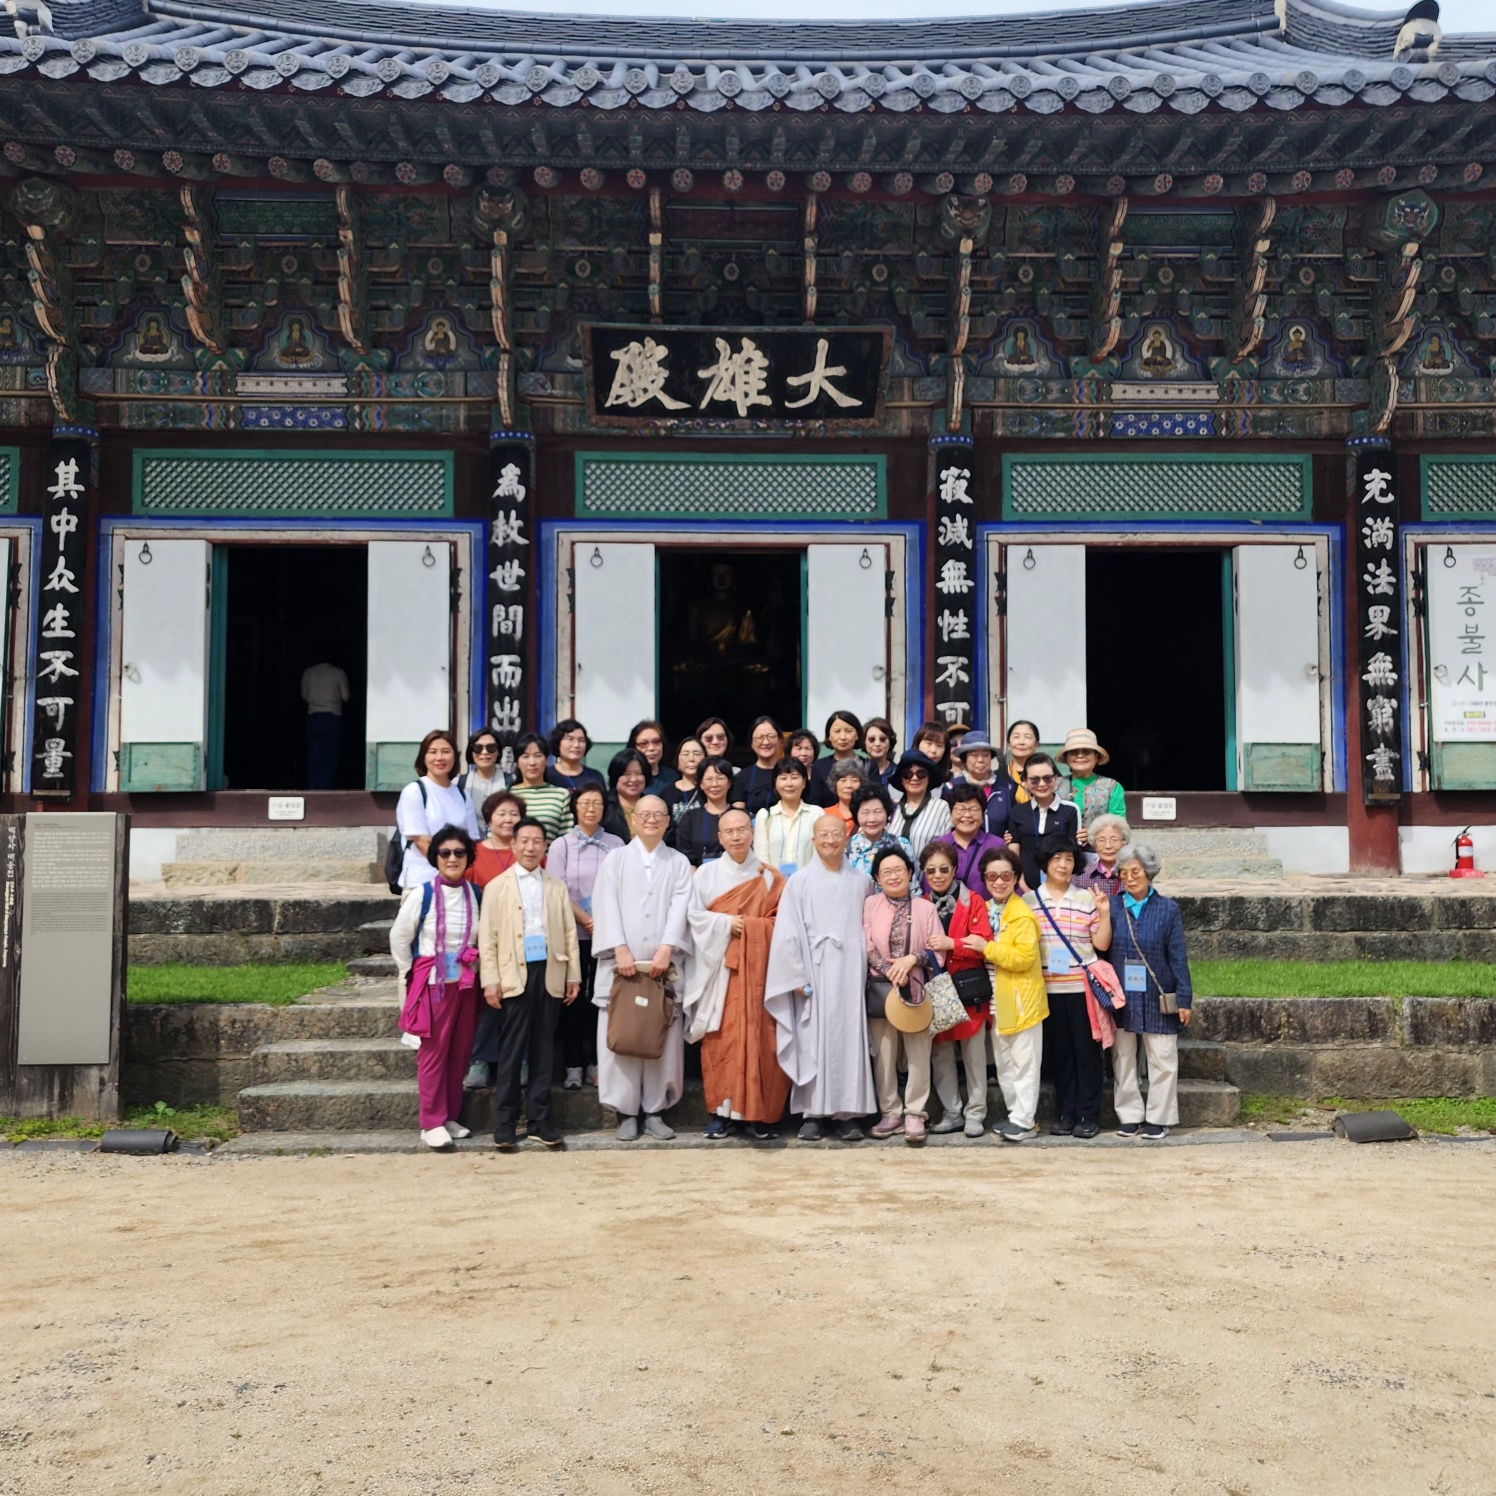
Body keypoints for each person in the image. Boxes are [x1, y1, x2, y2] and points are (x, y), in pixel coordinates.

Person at [764, 815, 877, 1141]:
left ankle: (848, 1113)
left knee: (849, 1037)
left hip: (851, 971)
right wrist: (795, 974)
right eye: (823, 834)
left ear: (846, 838)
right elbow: (787, 931)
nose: (830, 840)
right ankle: (813, 1113)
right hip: (814, 970)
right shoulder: (799, 881)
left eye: (836, 834)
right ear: (813, 840)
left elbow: (870, 928)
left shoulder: (861, 881)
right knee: (811, 1037)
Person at [590, 794, 694, 1141]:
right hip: (622, 967)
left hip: (663, 966)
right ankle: (626, 1111)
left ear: (667, 821)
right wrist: (618, 947)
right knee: (623, 1034)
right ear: (634, 819)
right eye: (644, 814)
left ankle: (655, 1109)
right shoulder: (616, 859)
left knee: (661, 1035)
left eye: (658, 815)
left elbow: (681, 907)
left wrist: (667, 947)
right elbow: (605, 904)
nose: (651, 820)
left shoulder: (678, 862)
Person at [682, 808, 789, 1139]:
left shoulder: (770, 877)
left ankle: (760, 1114)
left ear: (752, 832)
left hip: (759, 974)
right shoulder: (706, 875)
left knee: (761, 1038)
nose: (736, 836)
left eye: (742, 829)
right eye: (729, 831)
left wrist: (753, 927)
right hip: (719, 972)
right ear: (720, 837)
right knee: (721, 1039)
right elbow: (692, 917)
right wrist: (728, 923)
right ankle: (721, 1112)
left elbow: (783, 924)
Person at [478, 819, 582, 1151]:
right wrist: (490, 980)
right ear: (513, 845)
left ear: (545, 846)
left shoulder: (555, 886)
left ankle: (540, 1120)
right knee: (511, 1050)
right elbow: (487, 938)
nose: (530, 847)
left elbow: (569, 933)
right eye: (524, 841)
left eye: (537, 841)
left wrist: (573, 975)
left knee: (543, 1049)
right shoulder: (497, 887)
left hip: (550, 971)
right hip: (513, 973)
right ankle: (506, 1122)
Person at [390, 825, 482, 1150]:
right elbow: (399, 937)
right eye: (445, 853)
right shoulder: (423, 894)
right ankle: (430, 1122)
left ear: (468, 857)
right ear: (435, 857)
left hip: (465, 984)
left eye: (459, 852)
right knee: (432, 1054)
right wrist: (410, 971)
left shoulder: (475, 894)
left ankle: (449, 1116)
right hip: (433, 984)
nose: (452, 858)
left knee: (459, 1053)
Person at [1102, 841, 1193, 1140]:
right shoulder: (1112, 907)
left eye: (1136, 872)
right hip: (1121, 994)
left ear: (1149, 873)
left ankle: (1158, 1117)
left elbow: (1177, 956)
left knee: (1163, 1057)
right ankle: (1129, 1115)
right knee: (1123, 1057)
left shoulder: (1168, 909)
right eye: (1124, 872)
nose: (1129, 878)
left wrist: (1184, 998)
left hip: (1158, 992)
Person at [1027, 834, 1112, 1140]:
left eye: (1069, 859)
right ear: (1045, 862)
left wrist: (1104, 913)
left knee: (1086, 1054)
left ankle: (1088, 1115)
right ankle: (1066, 1113)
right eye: (1056, 858)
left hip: (1081, 989)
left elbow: (1101, 943)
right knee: (1060, 1054)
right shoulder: (1029, 901)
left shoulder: (1086, 898)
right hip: (1047, 990)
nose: (1063, 865)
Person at [863, 846, 944, 1145]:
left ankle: (915, 1112)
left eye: (899, 870)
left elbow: (938, 950)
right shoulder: (870, 904)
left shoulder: (925, 908)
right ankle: (890, 1112)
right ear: (877, 878)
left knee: (918, 1053)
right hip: (881, 988)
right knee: (884, 1055)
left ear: (910, 873)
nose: (893, 876)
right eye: (886, 872)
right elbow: (866, 943)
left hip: (916, 989)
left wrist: (911, 960)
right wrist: (890, 971)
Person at [546, 784, 623, 1089]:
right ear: (575, 807)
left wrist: (603, 922)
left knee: (602, 999)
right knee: (574, 1000)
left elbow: (622, 886)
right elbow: (558, 888)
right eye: (585, 803)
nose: (591, 809)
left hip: (608, 935)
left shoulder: (616, 844)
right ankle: (573, 1065)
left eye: (597, 803)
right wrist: (587, 920)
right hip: (574, 934)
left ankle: (597, 1063)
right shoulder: (561, 845)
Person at [921, 842, 991, 1139]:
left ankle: (976, 1113)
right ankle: (952, 1112)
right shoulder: (921, 903)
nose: (938, 875)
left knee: (974, 1055)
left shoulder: (973, 900)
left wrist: (954, 944)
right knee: (941, 1054)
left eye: (943, 869)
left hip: (968, 988)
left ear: (954, 869)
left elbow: (984, 942)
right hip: (936, 989)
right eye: (931, 871)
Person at [978, 845, 1048, 1143]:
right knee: (1005, 1062)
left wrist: (987, 948)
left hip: (1021, 996)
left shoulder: (1022, 914)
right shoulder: (983, 909)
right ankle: (1015, 1115)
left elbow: (1023, 958)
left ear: (1016, 877)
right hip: (998, 997)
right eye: (992, 876)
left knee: (1025, 1061)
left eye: (1006, 876)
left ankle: (1026, 1120)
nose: (998, 881)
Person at [395, 731, 480, 889]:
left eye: (446, 751)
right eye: (433, 752)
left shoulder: (463, 795)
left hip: (457, 882)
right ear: (423, 757)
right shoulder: (414, 791)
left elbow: (471, 841)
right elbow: (421, 840)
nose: (439, 758)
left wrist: (457, 874)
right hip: (422, 881)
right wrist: (448, 871)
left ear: (455, 757)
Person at [1003, 753, 1081, 892]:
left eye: (1047, 778)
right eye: (1034, 780)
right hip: (1024, 888)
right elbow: (1014, 853)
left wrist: (1061, 887)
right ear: (1025, 781)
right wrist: (1023, 887)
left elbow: (1074, 853)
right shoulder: (1017, 811)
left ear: (1055, 779)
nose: (1042, 784)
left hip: (1061, 888)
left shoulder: (1070, 810)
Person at [935, 783, 1006, 896]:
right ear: (951, 813)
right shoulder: (938, 846)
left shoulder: (997, 845)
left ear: (982, 815)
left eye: (974, 809)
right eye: (960, 809)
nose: (967, 815)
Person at [753, 757, 819, 875]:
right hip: (773, 883)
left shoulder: (816, 813)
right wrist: (775, 882)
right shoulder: (765, 815)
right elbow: (761, 857)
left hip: (808, 882)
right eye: (783, 778)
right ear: (775, 782)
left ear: (804, 782)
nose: (789, 784)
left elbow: (818, 854)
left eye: (794, 777)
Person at [1057, 728, 1127, 831]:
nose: (1080, 756)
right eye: (1073, 752)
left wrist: (1091, 834)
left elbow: (1118, 826)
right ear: (1066, 758)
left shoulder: (1112, 787)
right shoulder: (1054, 785)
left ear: (1096, 757)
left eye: (1086, 751)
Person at [670, 754, 733, 867]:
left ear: (729, 783)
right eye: (709, 779)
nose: (714, 784)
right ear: (702, 784)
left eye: (720, 778)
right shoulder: (690, 818)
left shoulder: (739, 816)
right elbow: (684, 854)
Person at [510, 732, 574, 843]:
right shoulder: (508, 795)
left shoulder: (561, 795)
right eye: (525, 756)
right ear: (517, 763)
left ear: (547, 760)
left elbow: (567, 839)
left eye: (538, 756)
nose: (532, 762)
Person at [888, 751, 952, 857]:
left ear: (929, 777)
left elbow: (948, 847)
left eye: (921, 773)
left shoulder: (941, 807)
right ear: (901, 779)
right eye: (908, 774)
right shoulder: (893, 810)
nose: (914, 778)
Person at [846, 783, 914, 878]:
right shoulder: (847, 847)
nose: (872, 819)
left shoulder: (902, 845)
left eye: (877, 811)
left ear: (887, 813)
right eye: (865, 812)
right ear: (856, 815)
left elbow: (912, 883)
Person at [301, 658, 349, 790]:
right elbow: (345, 696)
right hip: (332, 718)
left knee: (313, 756)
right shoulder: (338, 673)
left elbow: (305, 696)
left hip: (313, 717)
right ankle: (325, 789)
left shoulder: (308, 672)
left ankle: (313, 788)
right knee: (330, 757)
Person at [468, 791, 524, 890]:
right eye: (502, 814)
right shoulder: (473, 853)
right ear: (489, 820)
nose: (508, 819)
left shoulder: (530, 851)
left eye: (514, 814)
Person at [808, 710, 864, 807]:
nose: (843, 737)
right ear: (829, 736)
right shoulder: (819, 767)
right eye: (837, 731)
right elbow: (815, 802)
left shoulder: (869, 765)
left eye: (848, 731)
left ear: (857, 735)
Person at [731, 717, 783, 815]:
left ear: (780, 740)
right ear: (751, 743)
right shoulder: (742, 777)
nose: (766, 742)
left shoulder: (790, 772)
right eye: (759, 737)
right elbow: (738, 815)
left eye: (771, 736)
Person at [1074, 814, 1131, 898]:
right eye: (1101, 840)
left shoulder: (1134, 876)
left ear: (1124, 842)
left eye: (1114, 840)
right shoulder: (1081, 877)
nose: (1108, 846)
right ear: (1094, 843)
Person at [461, 729, 507, 832]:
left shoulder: (510, 781)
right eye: (478, 748)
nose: (485, 752)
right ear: (471, 752)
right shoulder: (459, 783)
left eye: (491, 748)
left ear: (498, 751)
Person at [546, 719, 606, 795]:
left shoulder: (595, 776)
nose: (576, 745)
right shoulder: (546, 775)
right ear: (558, 743)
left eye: (581, 740)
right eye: (570, 739)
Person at [602, 748, 650, 842]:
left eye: (638, 773)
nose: (633, 779)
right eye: (626, 774)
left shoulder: (653, 805)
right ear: (615, 776)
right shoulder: (604, 805)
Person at [662, 737, 705, 825]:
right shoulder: (666, 794)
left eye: (696, 754)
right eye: (685, 754)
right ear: (678, 761)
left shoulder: (711, 790)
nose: (691, 758)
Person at [1002, 719, 1040, 808]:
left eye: (1027, 737)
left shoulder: (1046, 774)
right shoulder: (999, 776)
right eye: (1016, 737)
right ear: (1009, 743)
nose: (1021, 742)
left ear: (1036, 744)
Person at [626, 720, 671, 794]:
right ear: (634, 747)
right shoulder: (627, 779)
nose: (651, 748)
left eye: (656, 742)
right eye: (644, 743)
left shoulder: (672, 776)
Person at [825, 758, 865, 837]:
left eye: (854, 780)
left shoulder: (867, 815)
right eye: (843, 780)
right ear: (834, 784)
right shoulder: (824, 814)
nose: (849, 785)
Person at [863, 717, 898, 787]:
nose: (877, 744)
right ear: (864, 742)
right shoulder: (857, 770)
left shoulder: (898, 773)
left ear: (890, 742)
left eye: (882, 739)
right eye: (872, 739)